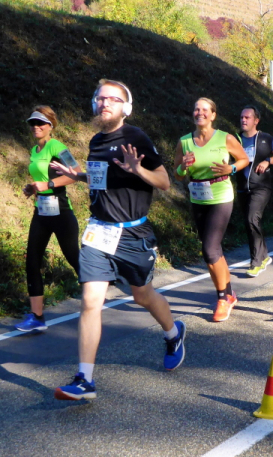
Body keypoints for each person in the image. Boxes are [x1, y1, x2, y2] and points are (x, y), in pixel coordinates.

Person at [50, 79, 185, 401]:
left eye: (113, 99)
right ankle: (85, 379)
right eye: (100, 98)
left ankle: (173, 333)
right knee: (90, 301)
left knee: (142, 296)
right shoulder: (96, 141)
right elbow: (103, 179)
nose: (105, 103)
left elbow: (164, 182)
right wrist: (79, 176)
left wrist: (139, 170)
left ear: (126, 107)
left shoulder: (135, 137)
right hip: (98, 232)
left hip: (132, 234)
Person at [175, 98, 249, 322]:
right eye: (196, 109)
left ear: (213, 115)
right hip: (198, 196)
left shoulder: (225, 138)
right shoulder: (184, 141)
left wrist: (231, 168)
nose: (200, 113)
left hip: (221, 196)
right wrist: (183, 166)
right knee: (214, 250)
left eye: (205, 110)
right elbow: (177, 174)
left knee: (209, 250)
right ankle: (230, 294)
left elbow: (244, 159)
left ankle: (222, 299)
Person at [16, 106, 81, 332]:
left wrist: (49, 184)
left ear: (50, 125)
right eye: (33, 123)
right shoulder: (34, 150)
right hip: (41, 211)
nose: (36, 127)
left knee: (74, 258)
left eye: (41, 123)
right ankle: (37, 317)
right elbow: (42, 179)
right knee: (32, 261)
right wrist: (33, 188)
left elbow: (76, 173)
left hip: (61, 211)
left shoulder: (57, 146)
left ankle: (95, 297)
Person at [235, 105, 273, 277]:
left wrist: (268, 161)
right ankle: (264, 256)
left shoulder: (266, 138)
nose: (243, 120)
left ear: (256, 120)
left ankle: (256, 262)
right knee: (250, 223)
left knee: (252, 219)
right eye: (241, 117)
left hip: (261, 186)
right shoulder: (235, 139)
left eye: (247, 117)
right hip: (242, 187)